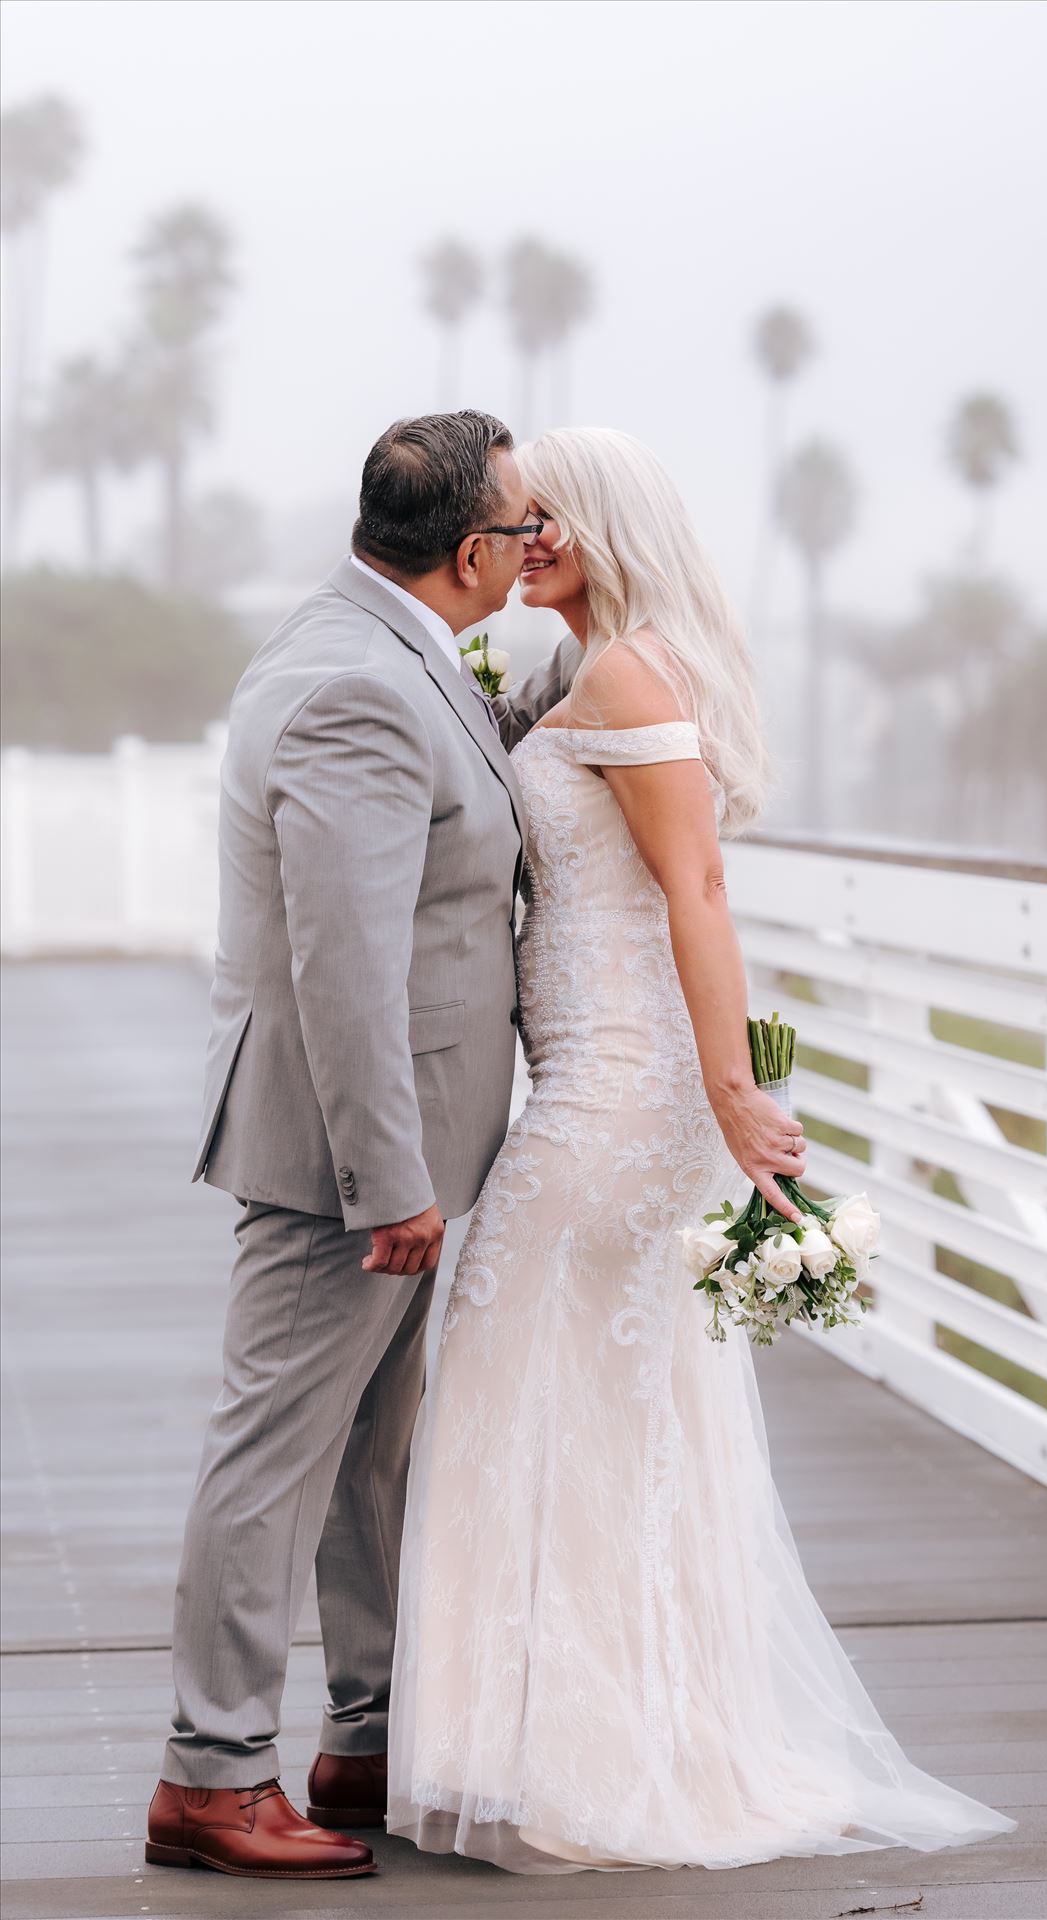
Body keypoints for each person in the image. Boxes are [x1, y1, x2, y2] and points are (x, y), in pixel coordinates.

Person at [386, 427, 1017, 1871]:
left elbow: (700, 887)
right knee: (603, 1407)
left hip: (618, 1091)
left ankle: (578, 1755)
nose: (525, 539)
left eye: (549, 519)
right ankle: (589, 1738)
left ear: (608, 523)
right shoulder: (572, 671)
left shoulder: (625, 672)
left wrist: (733, 1097)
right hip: (599, 1079)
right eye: (516, 520)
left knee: (518, 1383)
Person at [146, 411, 578, 1879]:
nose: (536, 544)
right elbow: (343, 960)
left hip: (409, 1145)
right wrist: (388, 1179)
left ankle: (366, 1736)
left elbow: (455, 813)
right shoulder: (352, 686)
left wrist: (583, 656)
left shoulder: (387, 651)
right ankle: (211, 1777)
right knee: (275, 1454)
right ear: (469, 552)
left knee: (370, 1453)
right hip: (350, 1154)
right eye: (525, 529)